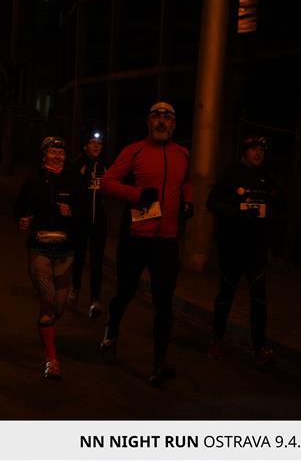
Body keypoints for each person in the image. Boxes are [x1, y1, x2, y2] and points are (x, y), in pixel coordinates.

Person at [99, 101, 193, 385]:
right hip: (136, 238)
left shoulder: (183, 154)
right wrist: (137, 194)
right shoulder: (134, 150)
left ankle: (158, 364)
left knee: (164, 303)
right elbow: (107, 183)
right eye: (156, 116)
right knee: (125, 291)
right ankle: (111, 333)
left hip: (166, 241)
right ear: (148, 123)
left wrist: (188, 201)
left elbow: (186, 182)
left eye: (167, 117)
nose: (161, 121)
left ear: (174, 124)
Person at [206, 135, 281, 365]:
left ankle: (259, 348)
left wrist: (271, 213)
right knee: (226, 294)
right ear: (244, 152)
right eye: (253, 149)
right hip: (232, 246)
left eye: (261, 150)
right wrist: (238, 213)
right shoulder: (231, 174)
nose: (258, 153)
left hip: (256, 249)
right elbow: (212, 203)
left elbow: (281, 206)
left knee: (259, 298)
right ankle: (217, 341)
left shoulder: (268, 178)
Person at [14, 136, 83, 379]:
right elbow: (19, 207)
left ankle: (47, 326)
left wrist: (72, 212)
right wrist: (22, 220)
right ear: (44, 155)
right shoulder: (33, 180)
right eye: (53, 152)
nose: (57, 156)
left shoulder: (74, 180)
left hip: (65, 250)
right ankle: (51, 360)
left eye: (61, 153)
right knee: (48, 300)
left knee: (58, 307)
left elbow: (86, 212)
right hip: (39, 248)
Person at [67, 130, 108, 320]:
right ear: (85, 146)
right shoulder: (77, 164)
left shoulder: (104, 166)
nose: (96, 145)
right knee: (79, 257)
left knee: (97, 260)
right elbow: (70, 189)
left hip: (99, 222)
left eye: (99, 143)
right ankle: (75, 288)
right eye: (92, 142)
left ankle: (95, 299)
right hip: (80, 220)